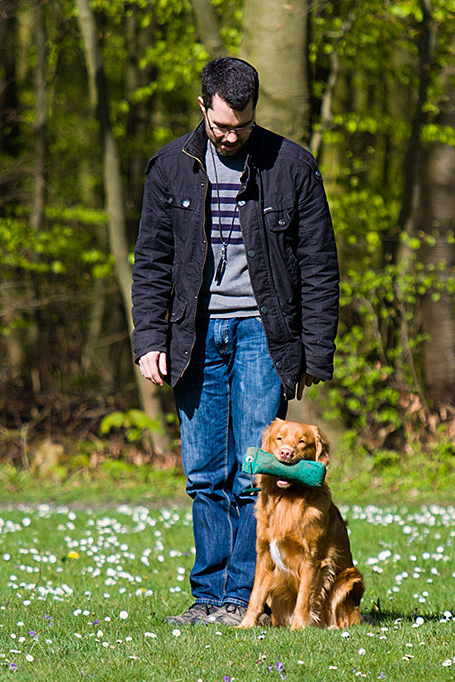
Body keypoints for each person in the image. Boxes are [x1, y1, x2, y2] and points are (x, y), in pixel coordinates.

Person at [130, 56, 340, 626]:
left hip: (263, 336)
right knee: (204, 473)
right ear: (203, 106)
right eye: (221, 125)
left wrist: (313, 351)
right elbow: (151, 261)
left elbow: (320, 265)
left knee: (257, 472)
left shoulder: (292, 165)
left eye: (242, 126)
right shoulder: (169, 167)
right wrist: (149, 338)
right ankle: (210, 598)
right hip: (192, 336)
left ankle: (249, 599)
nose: (230, 136)